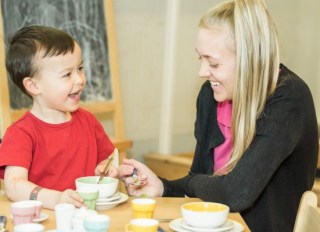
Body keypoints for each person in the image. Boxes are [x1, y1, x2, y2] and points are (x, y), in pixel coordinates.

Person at [119, 0, 319, 231]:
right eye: (200, 58)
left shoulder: (289, 99)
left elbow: (236, 193)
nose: (202, 72)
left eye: (213, 63)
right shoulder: (210, 95)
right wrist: (162, 187)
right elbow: (202, 179)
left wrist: (191, 184)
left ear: (249, 59)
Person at [0, 25, 118, 210]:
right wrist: (56, 200)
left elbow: (106, 160)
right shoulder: (20, 133)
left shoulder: (88, 121)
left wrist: (106, 169)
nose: (80, 79)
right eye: (67, 74)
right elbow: (14, 186)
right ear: (33, 85)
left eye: (80, 68)